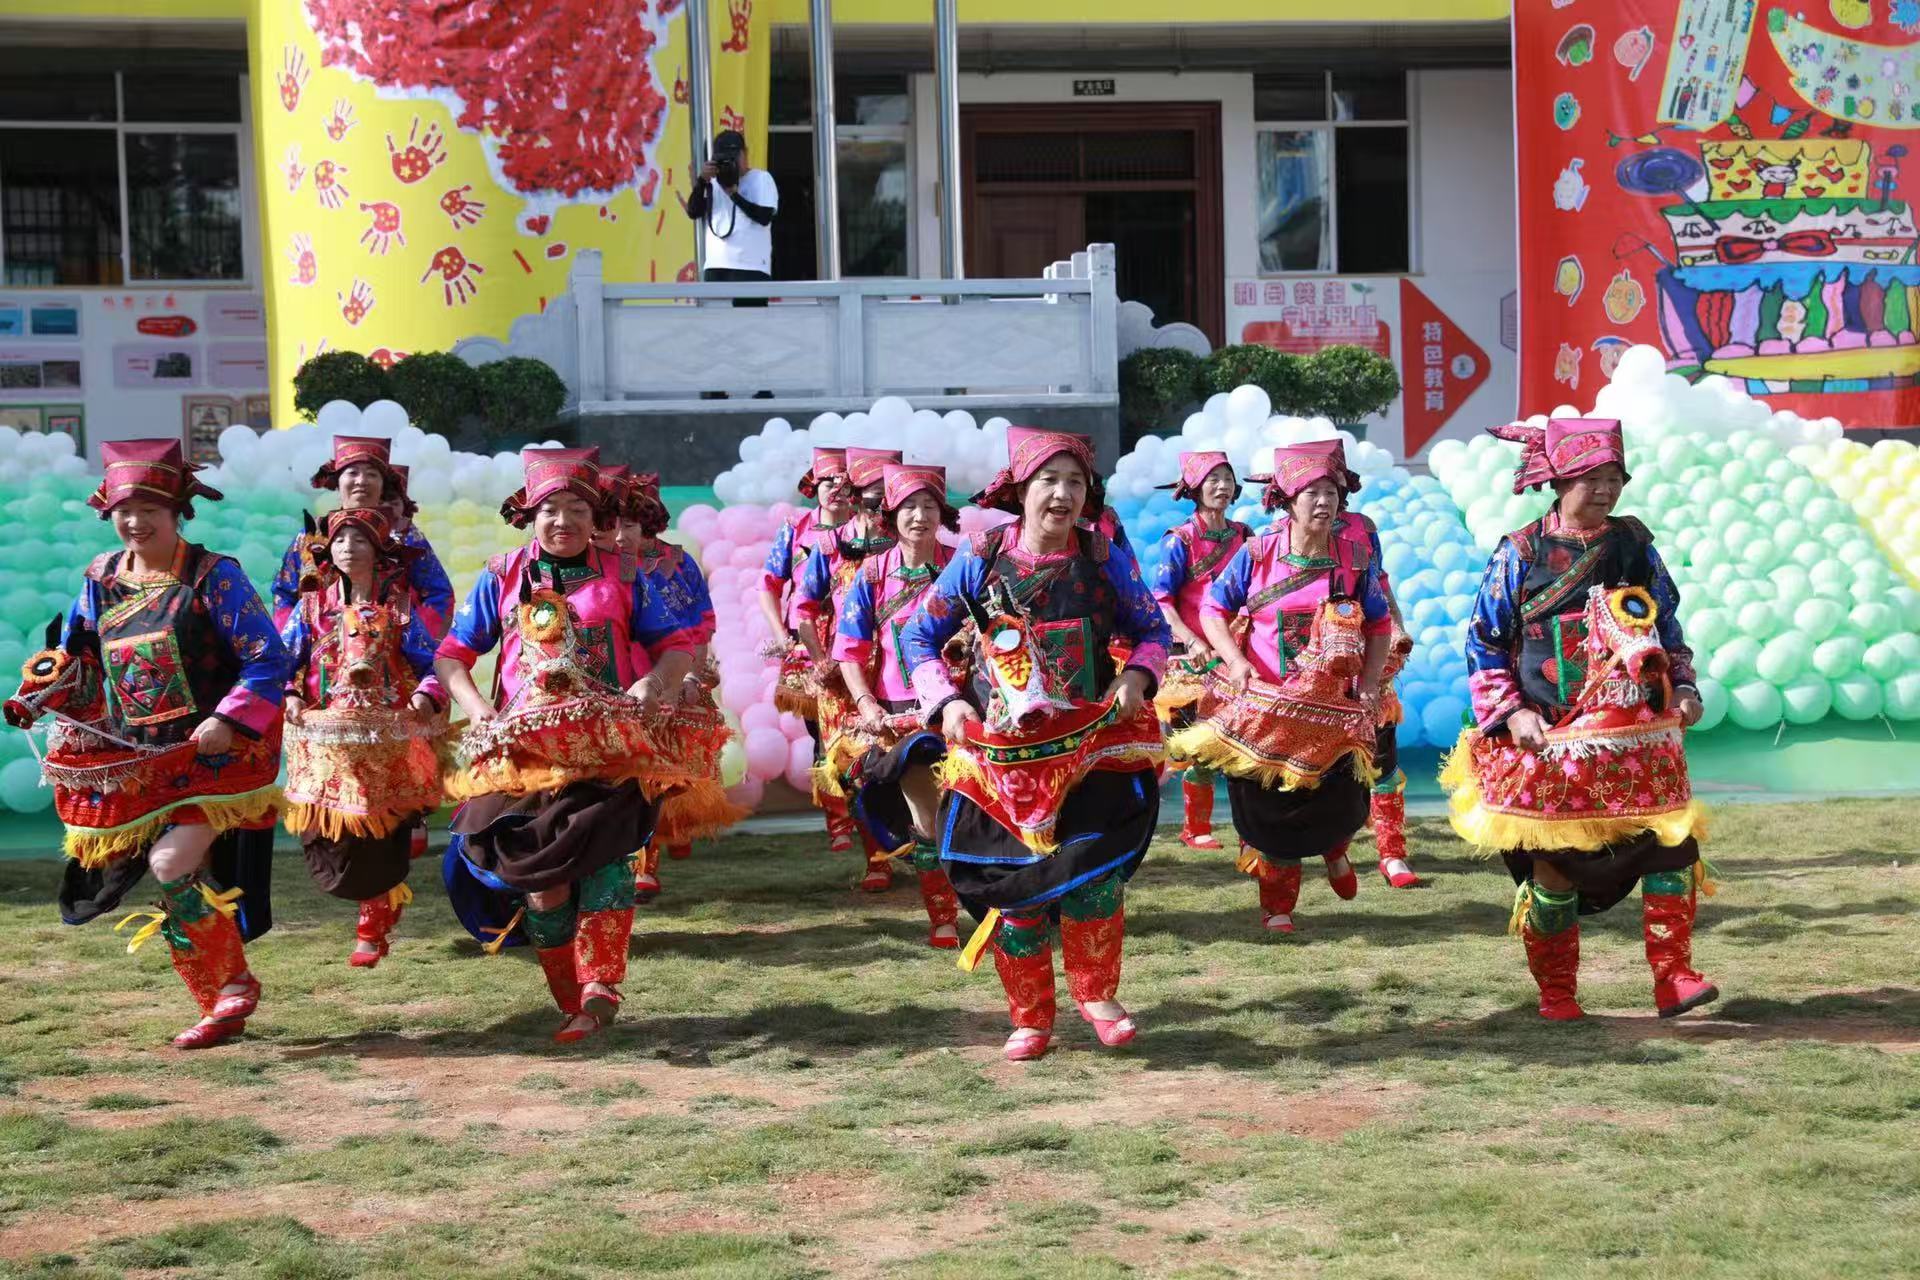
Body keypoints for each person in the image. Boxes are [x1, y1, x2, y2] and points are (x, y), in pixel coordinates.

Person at [3, 440, 290, 1049]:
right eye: (124, 510)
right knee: (175, 879)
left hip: (217, 755)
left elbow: (268, 657)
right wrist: (44, 692)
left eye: (150, 509)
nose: (135, 521)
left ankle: (234, 985)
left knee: (169, 864)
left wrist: (230, 720)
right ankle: (219, 1002)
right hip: (142, 758)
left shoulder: (214, 576)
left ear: (178, 510)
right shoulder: (101, 578)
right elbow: (77, 654)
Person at [899, 427, 1170, 1062]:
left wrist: (1137, 675)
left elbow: (1152, 630)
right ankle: (1030, 1019)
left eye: (1075, 482)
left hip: (1088, 753)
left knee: (1094, 879)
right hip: (1001, 762)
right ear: (1020, 490)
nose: (1063, 494)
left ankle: (1097, 995)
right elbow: (917, 636)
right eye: (1049, 480)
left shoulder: (1103, 556)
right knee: (1015, 895)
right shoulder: (981, 556)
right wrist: (948, 701)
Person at [424, 447, 699, 1043]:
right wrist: (478, 710)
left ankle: (601, 986)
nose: (563, 520)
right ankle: (571, 1000)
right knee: (542, 883)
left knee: (607, 860)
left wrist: (653, 683)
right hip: (526, 754)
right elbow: (451, 655)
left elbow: (677, 646)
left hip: (610, 748)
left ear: (595, 516)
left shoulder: (625, 574)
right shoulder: (502, 575)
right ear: (530, 515)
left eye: (577, 508)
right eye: (550, 509)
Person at [1447, 418, 1714, 1021]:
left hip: (1634, 736)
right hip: (1549, 737)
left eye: (1614, 478)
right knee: (1555, 869)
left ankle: (1674, 977)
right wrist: (1512, 712)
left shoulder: (1633, 544)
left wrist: (1683, 685)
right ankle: (1558, 992)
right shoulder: (1520, 552)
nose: (1606, 490)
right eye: (1593, 478)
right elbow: (1485, 640)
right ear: (1560, 480)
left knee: (1672, 845)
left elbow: (1665, 625)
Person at [1173, 441, 1390, 935]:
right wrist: (1235, 661)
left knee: (1341, 800)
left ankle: (1335, 849)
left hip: (1332, 709)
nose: (1323, 501)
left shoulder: (1355, 559)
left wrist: (1370, 680)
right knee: (1268, 813)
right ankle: (1278, 908)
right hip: (1267, 706)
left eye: (1331, 492)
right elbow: (1213, 609)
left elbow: (1377, 624)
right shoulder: (1256, 553)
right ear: (1287, 501)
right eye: (1311, 493)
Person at [279, 507, 444, 968]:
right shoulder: (311, 607)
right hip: (324, 739)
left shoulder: (399, 609)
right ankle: (378, 905)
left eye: (360, 540)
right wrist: (290, 693)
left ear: (377, 551)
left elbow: (431, 664)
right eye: (340, 540)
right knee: (332, 833)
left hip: (383, 737)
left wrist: (426, 695)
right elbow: (283, 661)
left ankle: (371, 928)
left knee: (379, 832)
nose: (349, 548)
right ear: (328, 551)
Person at [826, 462, 960, 947]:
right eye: (909, 507)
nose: (920, 516)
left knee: (972, 811)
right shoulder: (871, 574)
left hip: (962, 707)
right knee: (926, 815)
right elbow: (849, 650)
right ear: (891, 515)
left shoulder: (962, 566)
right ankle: (943, 917)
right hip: (901, 712)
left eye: (929, 506)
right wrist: (866, 704)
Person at [598, 467, 739, 899]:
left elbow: (700, 622)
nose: (622, 534)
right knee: (638, 771)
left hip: (673, 672)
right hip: (625, 677)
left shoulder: (679, 563)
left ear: (649, 521)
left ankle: (670, 832)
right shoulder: (604, 567)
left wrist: (691, 674)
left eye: (630, 524)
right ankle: (644, 863)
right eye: (614, 523)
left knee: (669, 769)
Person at [796, 445, 900, 891]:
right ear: (854, 496)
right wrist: (821, 659)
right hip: (844, 676)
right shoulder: (829, 545)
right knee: (853, 768)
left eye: (888, 496)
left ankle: (916, 846)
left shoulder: (905, 544)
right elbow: (803, 608)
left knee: (903, 759)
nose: (881, 506)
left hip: (895, 669)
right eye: (873, 496)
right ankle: (876, 858)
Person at [1149, 451, 1251, 852]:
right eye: (1213, 479)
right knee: (1200, 747)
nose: (1222, 486)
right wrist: (1192, 640)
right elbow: (1162, 600)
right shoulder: (1180, 540)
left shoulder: (1245, 536)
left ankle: (1251, 831)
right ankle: (1195, 828)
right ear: (1194, 489)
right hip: (1194, 659)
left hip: (1238, 654)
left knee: (1247, 742)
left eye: (1227, 478)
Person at [760, 447, 856, 851]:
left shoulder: (866, 531)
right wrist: (781, 634)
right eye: (827, 481)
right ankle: (838, 820)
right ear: (813, 487)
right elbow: (769, 584)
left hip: (858, 643)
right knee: (823, 732)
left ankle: (871, 818)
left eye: (843, 482)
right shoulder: (796, 528)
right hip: (809, 643)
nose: (835, 489)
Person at [270, 436, 453, 640]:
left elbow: (439, 593)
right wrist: (292, 643)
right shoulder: (313, 535)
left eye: (371, 474)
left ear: (382, 484)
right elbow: (284, 594)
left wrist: (415, 639)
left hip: (389, 649)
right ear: (337, 481)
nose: (361, 481)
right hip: (319, 648)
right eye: (352, 472)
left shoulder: (405, 535)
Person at [685, 129, 778, 305]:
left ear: (745, 154)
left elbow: (764, 217)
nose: (732, 164)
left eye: (734, 158)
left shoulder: (761, 178)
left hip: (751, 267)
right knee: (717, 322)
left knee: (750, 320)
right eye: (724, 160)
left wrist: (734, 194)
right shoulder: (713, 183)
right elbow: (693, 212)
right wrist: (702, 181)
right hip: (716, 266)